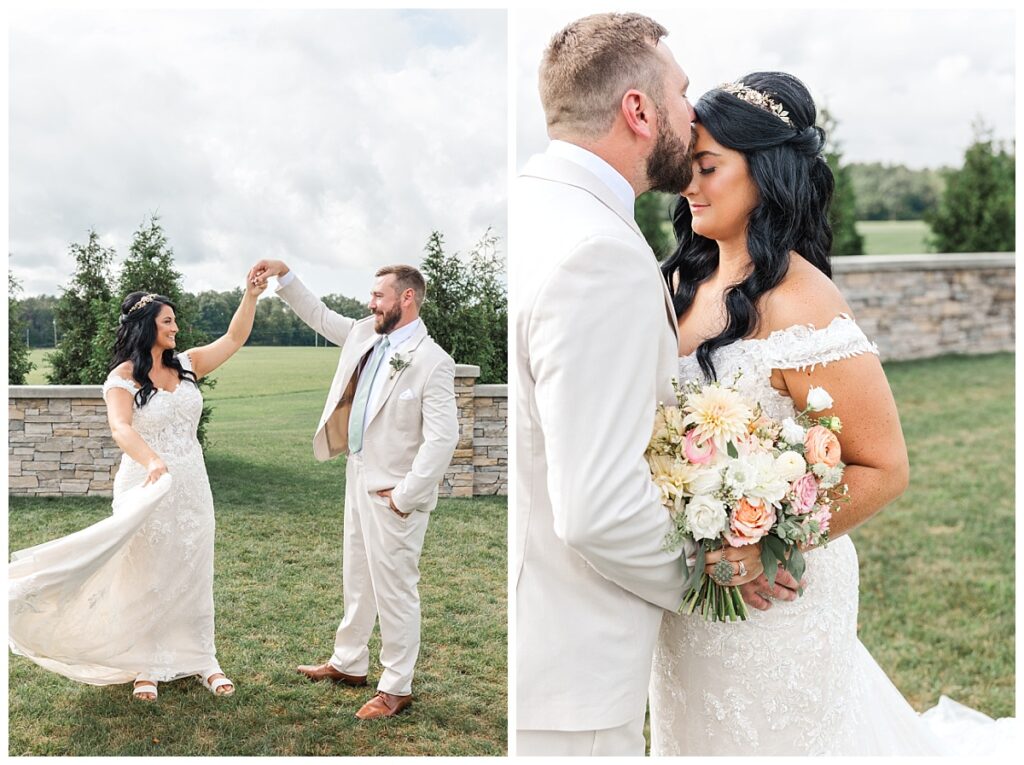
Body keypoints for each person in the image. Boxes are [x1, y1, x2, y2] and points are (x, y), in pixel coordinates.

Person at [650, 71, 1016, 756]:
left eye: (707, 167)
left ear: (766, 172)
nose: (688, 186)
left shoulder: (804, 303)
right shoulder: (673, 283)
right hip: (686, 598)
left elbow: (885, 465)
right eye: (684, 168)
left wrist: (767, 542)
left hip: (780, 599)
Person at [513, 14, 801, 756]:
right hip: (570, 674)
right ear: (638, 112)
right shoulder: (597, 254)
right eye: (679, 92)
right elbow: (598, 506)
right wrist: (714, 583)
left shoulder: (536, 211)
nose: (692, 111)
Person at [9, 283, 265, 702]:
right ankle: (143, 663)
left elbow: (234, 338)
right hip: (145, 483)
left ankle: (202, 658)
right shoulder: (122, 378)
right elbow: (121, 428)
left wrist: (251, 296)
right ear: (147, 326)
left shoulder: (187, 365)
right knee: (145, 573)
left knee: (191, 566)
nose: (176, 328)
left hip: (192, 485)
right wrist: (152, 461)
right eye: (168, 321)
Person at [248, 259, 459, 721]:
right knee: (357, 577)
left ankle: (397, 686)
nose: (371, 303)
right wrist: (284, 278)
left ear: (407, 298)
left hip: (394, 494)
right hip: (357, 473)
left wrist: (406, 495)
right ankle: (348, 662)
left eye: (379, 296)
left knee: (395, 589)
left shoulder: (432, 362)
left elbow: (443, 439)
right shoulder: (366, 333)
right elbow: (322, 318)